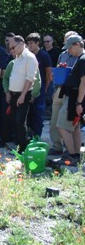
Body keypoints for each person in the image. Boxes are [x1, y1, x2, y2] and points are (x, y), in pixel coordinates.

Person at [5, 36, 38, 152]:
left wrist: (23, 95)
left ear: (21, 44)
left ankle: (23, 148)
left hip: (23, 94)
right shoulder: (18, 58)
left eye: (13, 47)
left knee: (20, 121)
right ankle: (19, 145)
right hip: (14, 94)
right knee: (15, 121)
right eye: (10, 49)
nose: (11, 51)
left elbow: (30, 78)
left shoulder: (29, 57)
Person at [49, 31, 79, 156]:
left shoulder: (80, 56)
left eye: (69, 42)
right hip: (60, 89)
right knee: (54, 120)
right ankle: (57, 146)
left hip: (72, 92)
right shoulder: (62, 55)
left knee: (69, 123)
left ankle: (70, 150)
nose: (67, 46)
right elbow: (58, 72)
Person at [56, 35, 84, 166]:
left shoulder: (83, 60)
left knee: (61, 126)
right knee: (75, 127)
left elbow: (84, 83)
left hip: (74, 98)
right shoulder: (80, 59)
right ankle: (77, 155)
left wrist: (79, 103)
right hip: (75, 97)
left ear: (78, 44)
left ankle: (71, 156)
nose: (68, 51)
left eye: (70, 48)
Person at [26, 33, 52, 138]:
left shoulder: (44, 55)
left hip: (40, 89)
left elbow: (48, 74)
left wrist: (44, 89)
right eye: (28, 43)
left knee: (38, 114)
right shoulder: (27, 55)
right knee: (28, 114)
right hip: (28, 88)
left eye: (31, 43)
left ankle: (37, 137)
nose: (30, 45)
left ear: (37, 43)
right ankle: (28, 136)